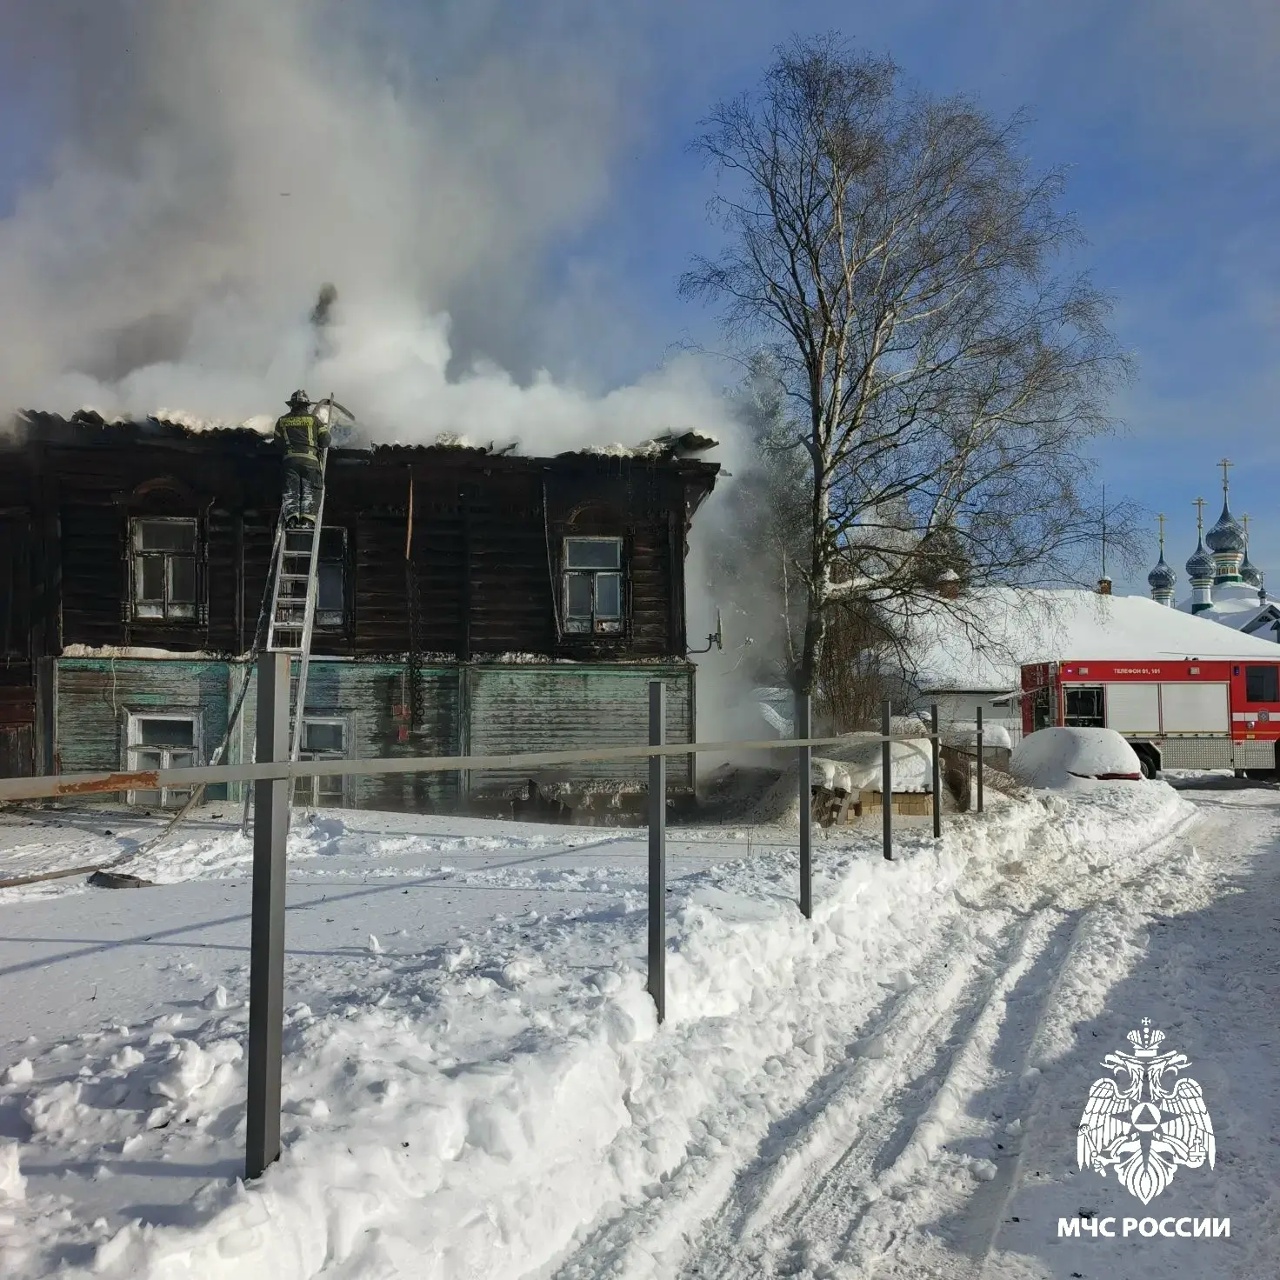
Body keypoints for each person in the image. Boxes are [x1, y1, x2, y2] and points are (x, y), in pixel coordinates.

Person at [274, 390, 330, 526]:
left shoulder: (282, 421)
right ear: (306, 405)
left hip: (290, 461)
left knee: (291, 490)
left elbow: (278, 443)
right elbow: (326, 441)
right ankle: (307, 520)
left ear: (292, 405)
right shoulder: (314, 420)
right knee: (311, 490)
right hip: (310, 461)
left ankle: (292, 519)